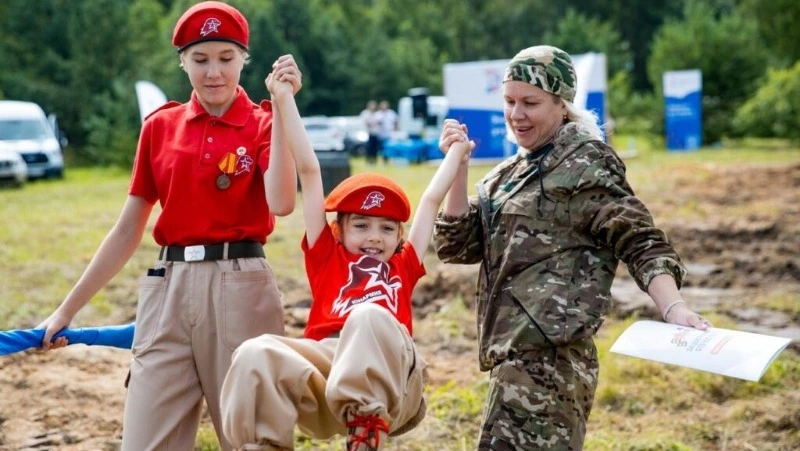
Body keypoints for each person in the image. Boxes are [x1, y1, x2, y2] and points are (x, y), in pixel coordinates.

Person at [35, 2, 299, 449]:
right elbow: (127, 229)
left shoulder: (265, 123)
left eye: (225, 58)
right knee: (145, 440)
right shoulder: (160, 127)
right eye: (200, 60)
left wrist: (283, 107)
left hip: (241, 288)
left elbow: (283, 202)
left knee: (254, 439)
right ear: (182, 61)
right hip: (166, 290)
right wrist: (66, 310)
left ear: (243, 60)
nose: (213, 72)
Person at [432, 45, 712, 450]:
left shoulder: (586, 164)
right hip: (512, 362)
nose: (516, 114)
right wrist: (457, 171)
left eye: (531, 103)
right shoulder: (508, 173)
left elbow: (640, 240)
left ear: (562, 105)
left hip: (553, 364)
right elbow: (457, 246)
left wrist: (674, 307)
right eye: (509, 102)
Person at [219, 60, 474, 451]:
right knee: (256, 352)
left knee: (368, 315)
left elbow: (430, 200)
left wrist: (455, 153)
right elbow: (309, 170)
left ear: (400, 236)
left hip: (389, 377)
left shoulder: (403, 264)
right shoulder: (327, 255)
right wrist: (283, 99)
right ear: (339, 230)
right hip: (329, 370)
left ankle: (367, 432)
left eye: (387, 229)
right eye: (362, 226)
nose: (375, 238)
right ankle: (260, 444)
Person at [360, 100, 382, 164]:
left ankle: (374, 160)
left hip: (375, 133)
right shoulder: (365, 113)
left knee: (375, 148)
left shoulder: (376, 114)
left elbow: (379, 122)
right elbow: (367, 122)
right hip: (368, 133)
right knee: (369, 147)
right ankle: (368, 160)